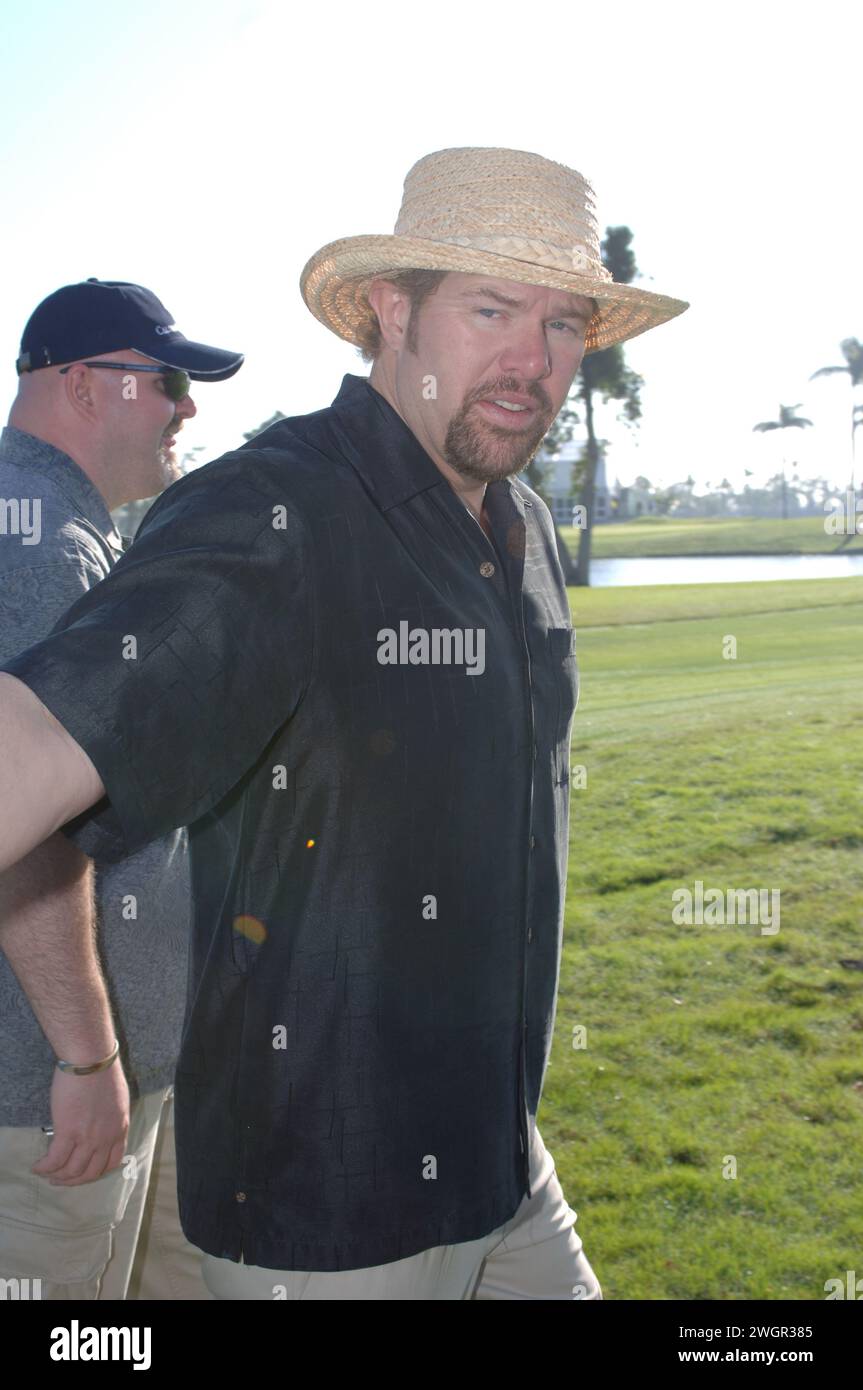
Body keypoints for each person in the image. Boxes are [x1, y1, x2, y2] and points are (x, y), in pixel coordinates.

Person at [0, 149, 687, 1300]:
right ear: (389, 310)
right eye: (490, 308)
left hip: (499, 1157)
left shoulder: (514, 527)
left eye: (564, 324)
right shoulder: (277, 512)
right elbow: (33, 751)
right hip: (329, 1211)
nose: (533, 360)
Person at [0, 278, 243, 1299]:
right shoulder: (41, 552)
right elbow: (27, 826)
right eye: (169, 380)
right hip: (49, 1096)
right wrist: (89, 1060)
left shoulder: (67, 530)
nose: (188, 407)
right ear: (82, 386)